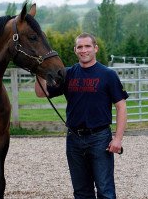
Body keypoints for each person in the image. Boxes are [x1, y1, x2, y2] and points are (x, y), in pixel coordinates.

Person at [35, 32, 128, 199]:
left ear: (95, 48)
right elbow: (42, 93)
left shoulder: (108, 75)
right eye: (80, 47)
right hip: (74, 139)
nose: (83, 50)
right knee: (81, 191)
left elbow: (121, 106)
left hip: (100, 138)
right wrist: (39, 71)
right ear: (75, 50)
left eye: (87, 46)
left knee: (105, 190)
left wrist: (118, 139)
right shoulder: (67, 74)